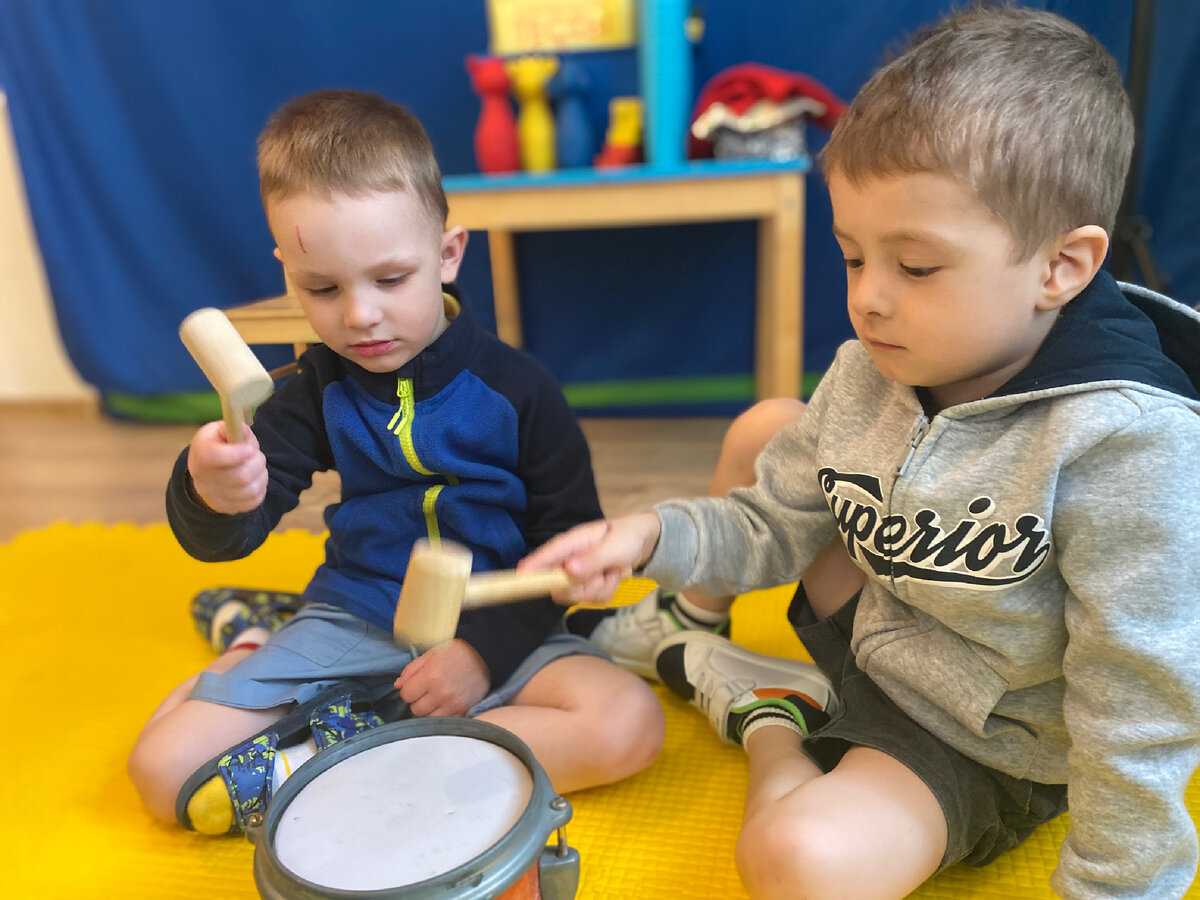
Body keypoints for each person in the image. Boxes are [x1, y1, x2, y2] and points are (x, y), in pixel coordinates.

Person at [524, 7, 1200, 899]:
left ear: (1061, 268)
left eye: (915, 267)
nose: (869, 300)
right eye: (852, 257)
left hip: (986, 739)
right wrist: (646, 536)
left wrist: (1118, 882)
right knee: (769, 430)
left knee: (797, 861)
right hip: (888, 627)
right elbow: (769, 522)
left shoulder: (1128, 445)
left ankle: (770, 715)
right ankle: (683, 622)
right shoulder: (870, 369)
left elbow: (1140, 695)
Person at [127, 89, 664, 836]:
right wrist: (211, 491)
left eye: (389, 279)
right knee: (159, 772)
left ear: (447, 254)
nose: (360, 315)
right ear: (289, 271)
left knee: (628, 723)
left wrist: (480, 655)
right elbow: (227, 536)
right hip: (356, 616)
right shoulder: (312, 390)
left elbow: (566, 545)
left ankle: (350, 750)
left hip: (501, 625)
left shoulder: (522, 392)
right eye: (322, 288)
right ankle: (331, 708)